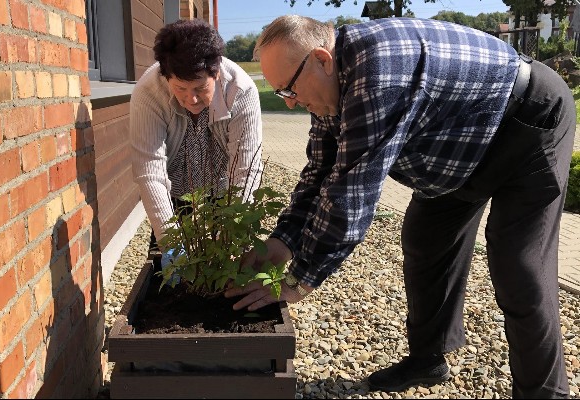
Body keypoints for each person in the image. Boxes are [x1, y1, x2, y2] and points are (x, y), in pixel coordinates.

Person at [224, 15, 575, 398]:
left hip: (527, 123)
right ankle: (428, 361)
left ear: (322, 59)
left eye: (289, 89)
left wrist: (299, 279)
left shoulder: (378, 70)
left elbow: (351, 191)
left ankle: (546, 393)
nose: (290, 104)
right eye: (281, 94)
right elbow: (321, 170)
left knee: (519, 267)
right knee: (425, 239)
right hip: (460, 148)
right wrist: (283, 242)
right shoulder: (333, 84)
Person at [130, 19, 263, 262]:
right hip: (174, 188)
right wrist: (170, 240)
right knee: (165, 262)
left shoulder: (241, 91)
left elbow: (246, 170)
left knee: (225, 257)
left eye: (200, 88)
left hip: (222, 185)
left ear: (217, 72)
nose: (191, 100)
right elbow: (150, 173)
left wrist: (231, 233)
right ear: (165, 76)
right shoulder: (148, 93)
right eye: (180, 88)